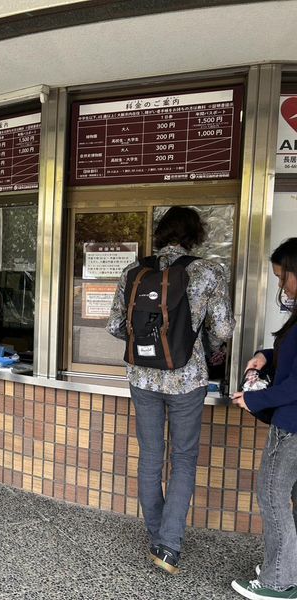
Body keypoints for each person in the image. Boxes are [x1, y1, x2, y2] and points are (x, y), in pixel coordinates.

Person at [106, 206, 235, 574]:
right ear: (196, 235)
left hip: (142, 377)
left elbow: (116, 325)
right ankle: (168, 545)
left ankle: (157, 534)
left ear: (162, 234)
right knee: (183, 459)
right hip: (186, 377)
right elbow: (223, 330)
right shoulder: (208, 271)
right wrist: (204, 344)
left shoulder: (134, 271)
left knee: (150, 454)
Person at [230, 238, 297, 600]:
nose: (281, 288)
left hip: (292, 427)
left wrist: (254, 400)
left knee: (272, 496)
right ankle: (288, 566)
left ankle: (278, 582)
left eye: (283, 278)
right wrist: (265, 357)